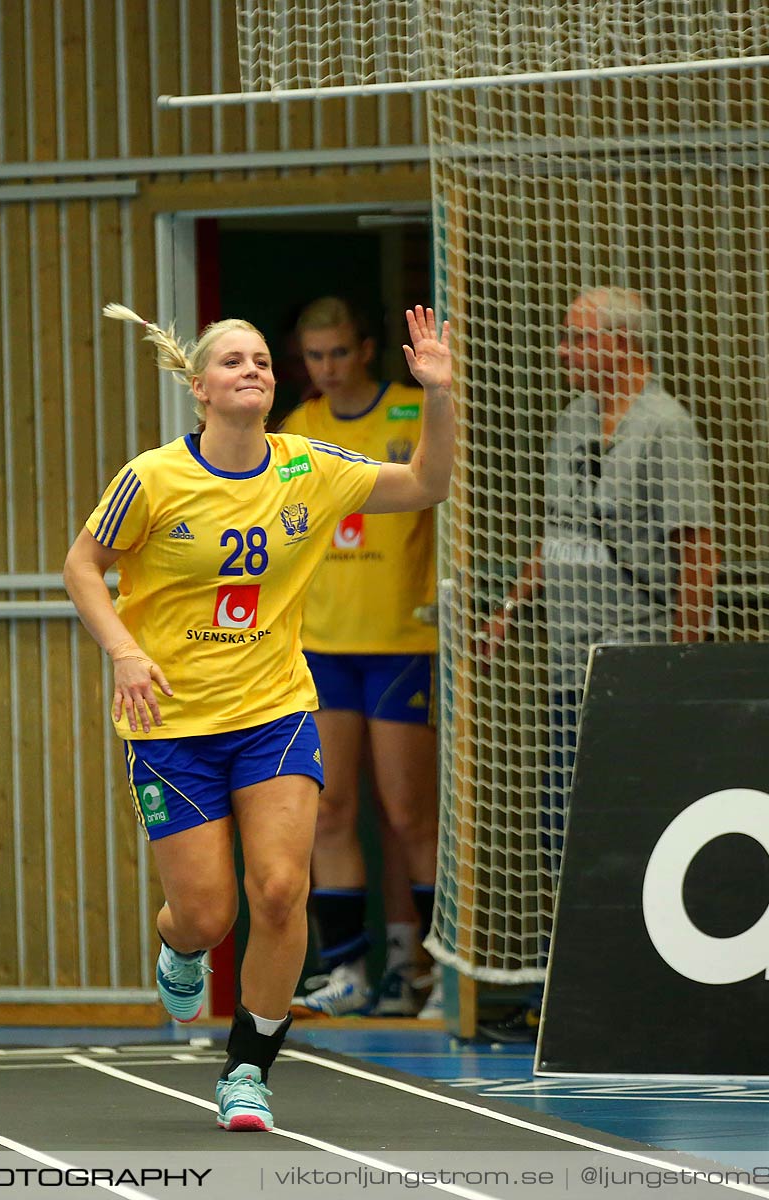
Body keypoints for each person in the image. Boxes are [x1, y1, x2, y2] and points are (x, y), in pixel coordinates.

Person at [63, 302, 455, 1132]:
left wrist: (439, 396)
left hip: (274, 711)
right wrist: (125, 653)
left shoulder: (307, 467)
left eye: (263, 363)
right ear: (199, 387)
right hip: (172, 723)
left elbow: (427, 483)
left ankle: (248, 1067)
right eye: (235, 361)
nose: (254, 371)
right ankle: (180, 944)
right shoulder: (155, 477)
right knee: (208, 914)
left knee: (279, 890)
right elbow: (82, 564)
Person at [484, 286, 718, 1018]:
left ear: (620, 345)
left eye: (576, 340)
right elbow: (556, 531)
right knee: (564, 826)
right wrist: (510, 610)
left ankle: (639, 983)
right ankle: (576, 985)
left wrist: (681, 663)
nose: (563, 353)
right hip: (566, 667)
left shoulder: (664, 429)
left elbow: (696, 549)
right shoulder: (573, 421)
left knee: (632, 824)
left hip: (632, 666)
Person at [274, 298, 442, 1020]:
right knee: (330, 806)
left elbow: (445, 492)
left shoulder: (412, 408)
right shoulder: (299, 428)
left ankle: (431, 971)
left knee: (408, 812)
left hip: (403, 640)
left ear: (367, 349)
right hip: (323, 648)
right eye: (314, 356)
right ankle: (346, 969)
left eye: (339, 352)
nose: (328, 368)